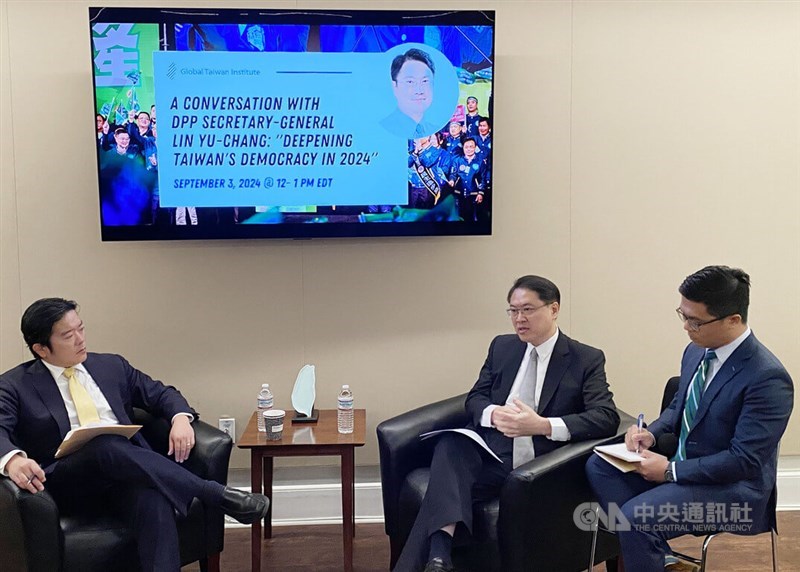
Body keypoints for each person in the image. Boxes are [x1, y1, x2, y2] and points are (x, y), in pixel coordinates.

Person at [0, 298, 271, 571]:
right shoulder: (15, 385)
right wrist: (12, 460)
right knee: (104, 443)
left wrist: (180, 419)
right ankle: (215, 494)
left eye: (81, 329)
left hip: (126, 475)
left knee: (154, 501)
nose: (80, 339)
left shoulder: (111, 366)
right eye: (68, 336)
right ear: (41, 349)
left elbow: (161, 393)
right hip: (68, 485)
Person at [393, 275, 619, 572]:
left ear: (553, 309)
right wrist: (492, 414)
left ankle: (438, 555)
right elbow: (476, 397)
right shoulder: (503, 347)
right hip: (492, 451)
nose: (518, 319)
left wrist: (541, 425)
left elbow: (606, 416)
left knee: (440, 495)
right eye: (512, 311)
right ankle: (439, 559)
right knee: (450, 443)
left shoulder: (584, 358)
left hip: (541, 463)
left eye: (527, 310)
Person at [585, 266, 794, 572]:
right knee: (600, 467)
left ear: (733, 320)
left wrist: (670, 471)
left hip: (735, 492)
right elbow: (677, 409)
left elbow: (744, 461)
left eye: (695, 321)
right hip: (685, 469)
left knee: (633, 518)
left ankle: (653, 552)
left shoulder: (767, 378)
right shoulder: (696, 351)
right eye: (682, 315)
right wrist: (651, 434)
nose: (686, 327)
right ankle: (662, 558)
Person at [380, 48, 439, 140]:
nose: (419, 90)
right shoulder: (383, 129)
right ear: (395, 85)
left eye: (425, 81)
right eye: (410, 82)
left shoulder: (435, 130)